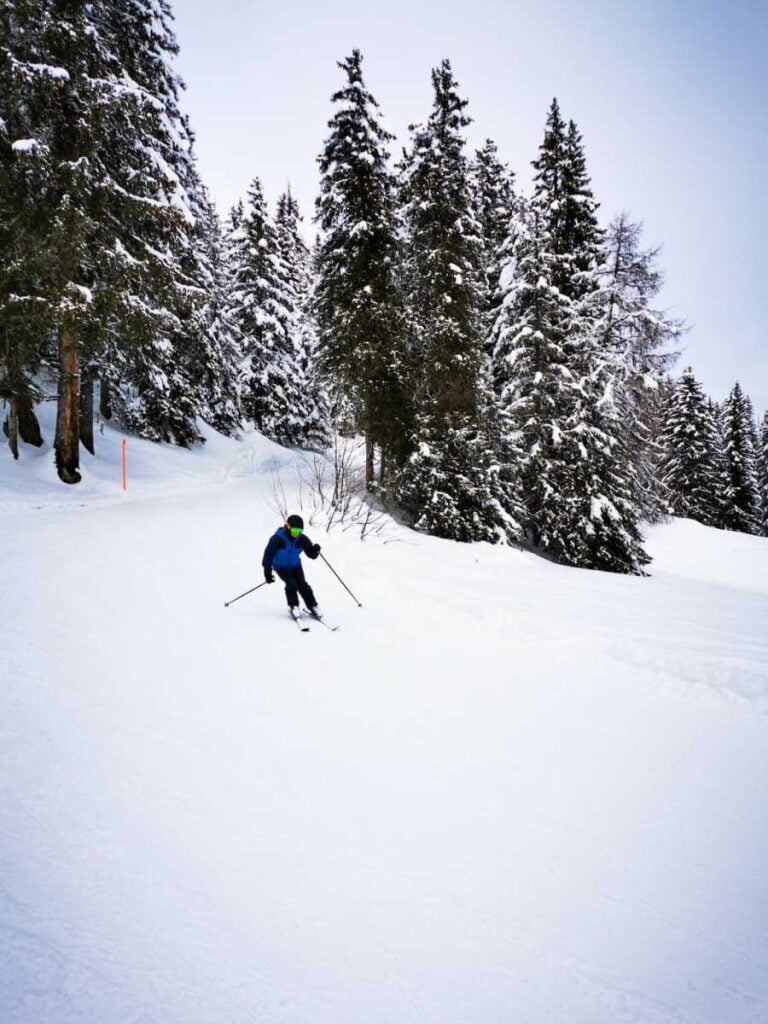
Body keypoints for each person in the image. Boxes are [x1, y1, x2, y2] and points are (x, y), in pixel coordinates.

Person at [262, 514, 322, 620]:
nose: (296, 533)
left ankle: (313, 606)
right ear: (288, 527)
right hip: (281, 567)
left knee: (302, 584)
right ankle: (293, 606)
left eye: (299, 531)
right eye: (294, 530)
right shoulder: (277, 539)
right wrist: (267, 572)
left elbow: (311, 555)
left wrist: (315, 550)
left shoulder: (301, 539)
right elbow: (268, 555)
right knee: (291, 584)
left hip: (295, 565)